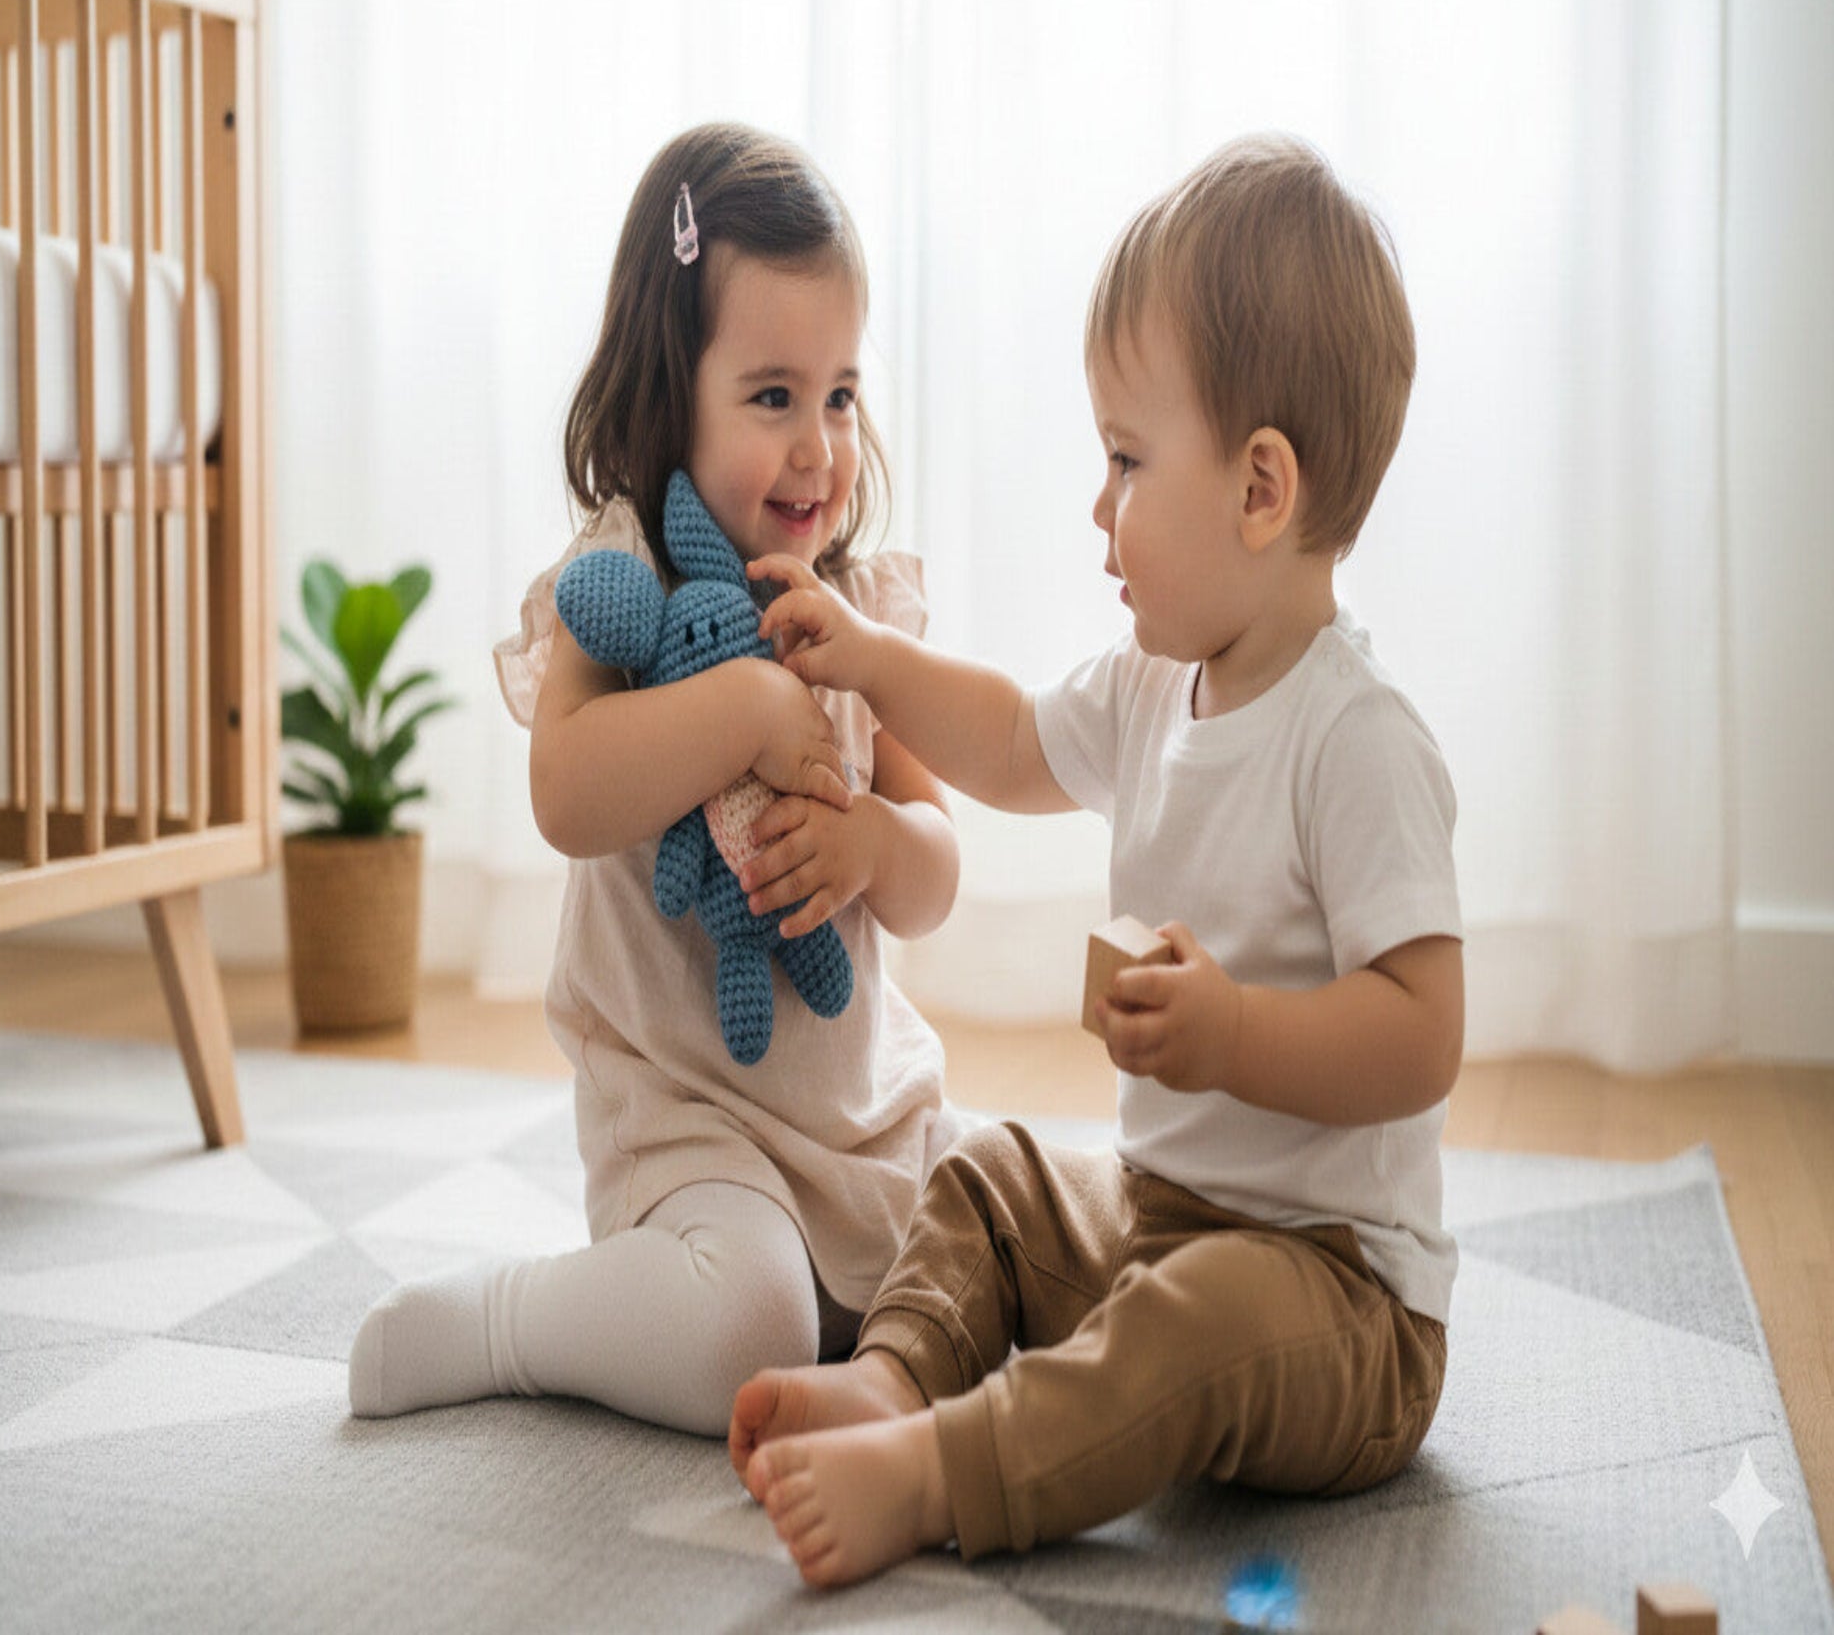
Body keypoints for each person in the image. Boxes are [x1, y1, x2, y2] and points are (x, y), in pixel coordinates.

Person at [728, 134, 1464, 1587]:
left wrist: (1237, 1030)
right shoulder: (1151, 687)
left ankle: (936, 1471)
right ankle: (894, 1378)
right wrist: (872, 658)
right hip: (1162, 1221)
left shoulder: (1353, 736)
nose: (1096, 506)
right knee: (988, 1170)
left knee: (1181, 1328)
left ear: (1261, 489)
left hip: (1334, 1295)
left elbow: (1423, 1034)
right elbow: (1004, 740)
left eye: (1125, 461)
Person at [347, 122, 964, 1434]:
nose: (818, 447)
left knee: (1025, 1218)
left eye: (839, 394)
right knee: (744, 1320)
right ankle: (508, 1318)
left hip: (871, 1124)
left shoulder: (862, 606)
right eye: (771, 395)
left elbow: (936, 864)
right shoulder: (618, 586)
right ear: (666, 387)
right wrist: (738, 702)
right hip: (691, 1134)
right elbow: (567, 789)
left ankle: (875, 1348)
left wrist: (872, 850)